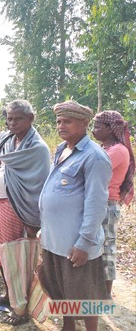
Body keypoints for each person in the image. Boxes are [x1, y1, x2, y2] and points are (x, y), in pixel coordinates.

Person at [39, 100, 111, 331]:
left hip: (75, 244)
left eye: (67, 121)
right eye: (58, 121)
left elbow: (96, 204)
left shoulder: (95, 157)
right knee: (62, 292)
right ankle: (68, 327)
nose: (61, 126)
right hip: (55, 240)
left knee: (85, 297)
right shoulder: (62, 149)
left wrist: (84, 243)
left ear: (84, 123)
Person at [0, 100, 51, 324]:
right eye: (9, 118)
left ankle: (20, 307)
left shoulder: (37, 148)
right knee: (3, 256)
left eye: (17, 119)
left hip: (17, 210)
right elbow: (4, 167)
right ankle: (9, 295)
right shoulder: (10, 141)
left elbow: (37, 187)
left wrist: (33, 220)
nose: (11, 123)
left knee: (17, 258)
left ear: (30, 119)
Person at [92, 110, 134, 297]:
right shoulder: (105, 148)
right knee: (96, 247)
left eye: (97, 127)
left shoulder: (117, 151)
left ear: (110, 129)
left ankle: (106, 293)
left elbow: (92, 171)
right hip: (101, 203)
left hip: (107, 204)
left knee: (106, 248)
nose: (93, 131)